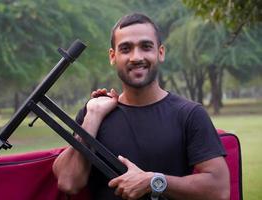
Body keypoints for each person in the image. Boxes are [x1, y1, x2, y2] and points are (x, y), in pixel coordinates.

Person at [52, 13, 230, 200]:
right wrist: (92, 116)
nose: (136, 57)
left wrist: (153, 181)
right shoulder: (94, 114)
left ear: (160, 52)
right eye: (126, 49)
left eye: (146, 47)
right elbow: (68, 182)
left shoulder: (190, 114)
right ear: (113, 56)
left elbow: (219, 190)